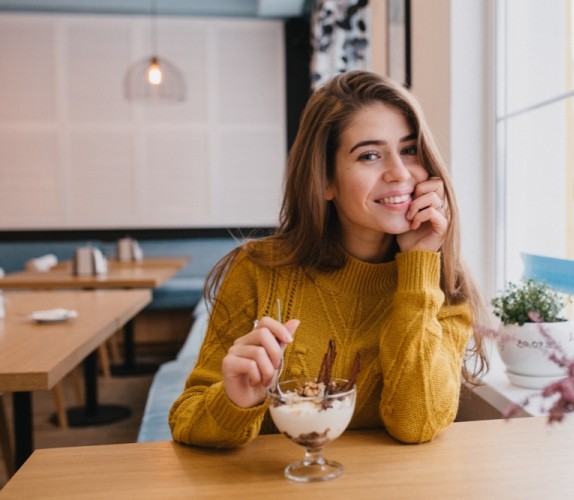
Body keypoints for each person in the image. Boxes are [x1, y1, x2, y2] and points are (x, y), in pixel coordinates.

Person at [169, 70, 489, 448]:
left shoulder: (443, 285)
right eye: (370, 155)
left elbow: (416, 424)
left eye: (409, 149)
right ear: (325, 181)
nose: (400, 173)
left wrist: (419, 265)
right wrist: (234, 400)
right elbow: (186, 420)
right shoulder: (259, 271)